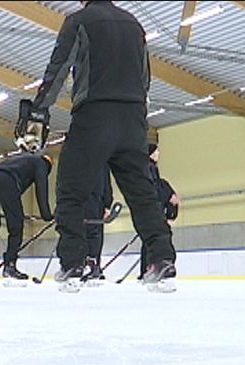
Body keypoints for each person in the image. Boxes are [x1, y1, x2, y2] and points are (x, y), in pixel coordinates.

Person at [23, 0, 177, 292]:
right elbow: (145, 76)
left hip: (94, 116)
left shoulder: (78, 21)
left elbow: (58, 68)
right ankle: (162, 259)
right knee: (142, 194)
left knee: (71, 191)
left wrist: (39, 109)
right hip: (133, 119)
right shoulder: (134, 24)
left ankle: (72, 262)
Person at [0, 152, 55, 282]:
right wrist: (47, 215)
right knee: (16, 226)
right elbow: (41, 188)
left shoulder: (22, 160)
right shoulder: (41, 163)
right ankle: (10, 266)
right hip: (7, 182)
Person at [139, 143, 180, 279]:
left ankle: (147, 269)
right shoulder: (149, 168)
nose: (158, 154)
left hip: (154, 210)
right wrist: (168, 198)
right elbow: (154, 189)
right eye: (156, 151)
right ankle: (149, 269)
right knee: (152, 240)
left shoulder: (153, 169)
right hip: (153, 210)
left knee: (150, 240)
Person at [84, 168, 115, 281]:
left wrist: (107, 204)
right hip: (85, 200)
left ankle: (93, 264)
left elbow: (107, 183)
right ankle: (87, 264)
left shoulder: (102, 160)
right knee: (88, 232)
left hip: (97, 200)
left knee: (95, 232)